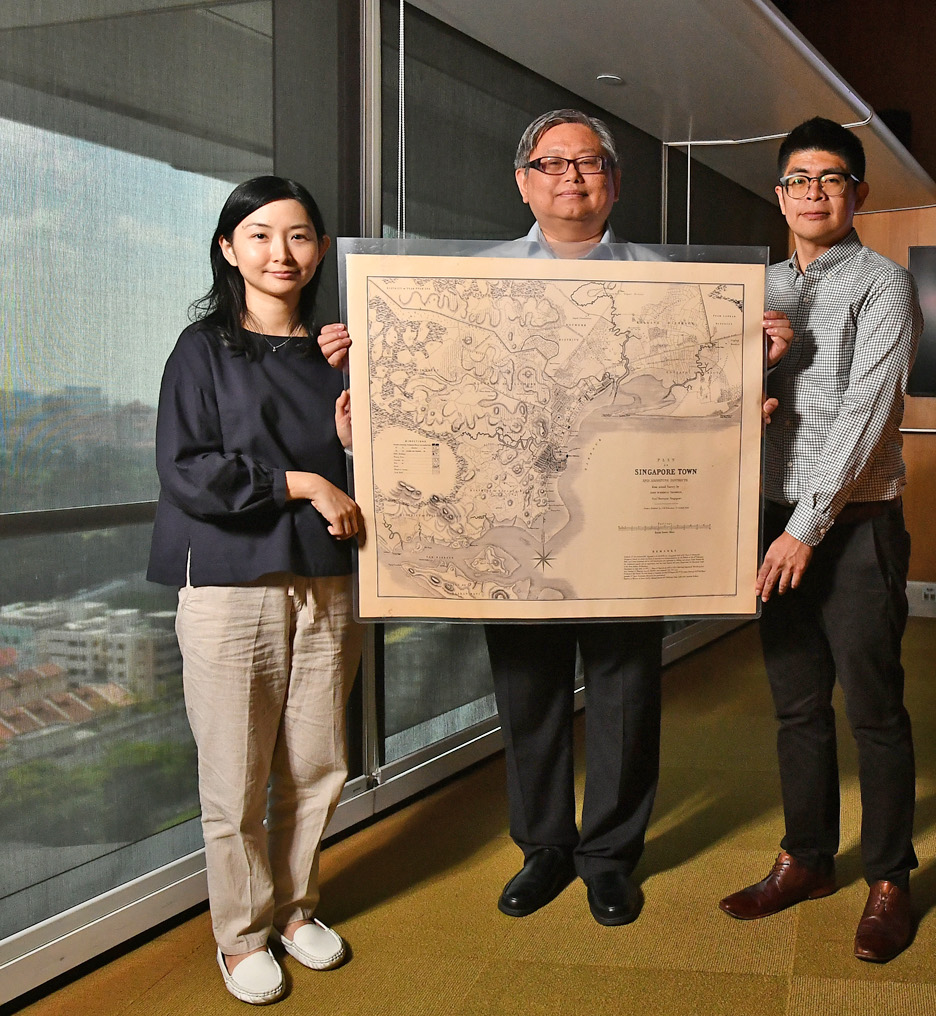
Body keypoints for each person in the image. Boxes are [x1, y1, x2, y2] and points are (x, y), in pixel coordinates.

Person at [319, 109, 792, 927]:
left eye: (590, 162)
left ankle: (610, 856)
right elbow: (444, 403)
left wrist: (754, 361)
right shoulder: (467, 284)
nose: (572, 176)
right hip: (520, 524)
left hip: (623, 529)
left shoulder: (671, 285)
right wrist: (373, 372)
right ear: (523, 180)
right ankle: (543, 847)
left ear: (613, 179)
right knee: (528, 692)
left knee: (625, 693)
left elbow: (695, 404)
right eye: (553, 163)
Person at [148, 176, 364, 1004]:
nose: (283, 252)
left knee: (318, 764)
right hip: (231, 584)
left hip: (325, 580)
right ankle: (239, 937)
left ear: (319, 252)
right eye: (262, 235)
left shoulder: (339, 350)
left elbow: (386, 475)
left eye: (301, 236)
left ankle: (296, 908)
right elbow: (188, 470)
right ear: (228, 248)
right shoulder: (200, 350)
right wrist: (306, 482)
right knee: (235, 775)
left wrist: (354, 440)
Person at [717, 117, 923, 963]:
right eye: (797, 179)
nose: (812, 192)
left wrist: (805, 528)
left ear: (858, 193)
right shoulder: (752, 288)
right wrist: (756, 367)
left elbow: (867, 417)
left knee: (873, 710)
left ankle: (889, 880)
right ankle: (806, 858)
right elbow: (723, 403)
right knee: (796, 706)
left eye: (830, 178)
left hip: (855, 528)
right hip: (770, 524)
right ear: (779, 194)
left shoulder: (885, 283)